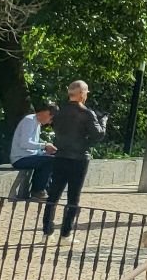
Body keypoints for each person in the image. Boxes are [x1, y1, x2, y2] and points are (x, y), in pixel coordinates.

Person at [44, 81, 105, 242]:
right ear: (80, 93)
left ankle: (46, 232)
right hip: (79, 159)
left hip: (60, 156)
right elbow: (98, 135)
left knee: (53, 195)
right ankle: (65, 234)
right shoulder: (86, 113)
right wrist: (103, 121)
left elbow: (56, 128)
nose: (86, 95)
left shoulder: (59, 111)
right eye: (85, 92)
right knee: (73, 197)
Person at [8, 103, 57, 201]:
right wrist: (44, 146)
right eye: (51, 119)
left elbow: (33, 144)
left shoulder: (36, 123)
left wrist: (47, 149)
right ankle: (37, 191)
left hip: (29, 156)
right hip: (20, 159)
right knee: (49, 161)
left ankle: (47, 189)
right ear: (47, 113)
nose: (49, 122)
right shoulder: (29, 121)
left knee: (54, 157)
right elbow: (25, 143)